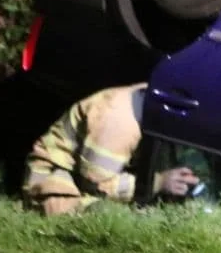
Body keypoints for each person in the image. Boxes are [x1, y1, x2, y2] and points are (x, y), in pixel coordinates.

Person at [22, 82, 200, 215]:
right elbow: (96, 185)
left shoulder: (155, 98)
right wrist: (157, 183)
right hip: (56, 175)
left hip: (97, 168)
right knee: (101, 213)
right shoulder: (117, 124)